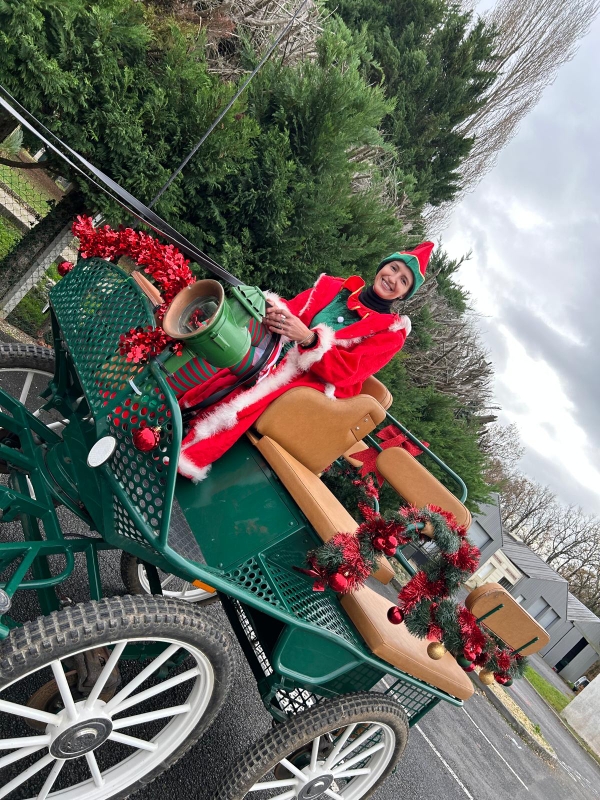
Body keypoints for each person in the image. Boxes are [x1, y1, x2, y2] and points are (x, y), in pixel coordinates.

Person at [177, 242, 434, 481]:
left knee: (254, 395)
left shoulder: (390, 333)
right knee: (240, 366)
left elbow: (346, 372)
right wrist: (274, 314)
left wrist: (310, 340)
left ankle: (189, 457)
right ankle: (177, 419)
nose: (393, 279)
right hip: (280, 353)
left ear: (404, 295)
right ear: (383, 266)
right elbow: (294, 310)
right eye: (394, 268)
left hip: (315, 383)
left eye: (403, 281)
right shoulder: (335, 288)